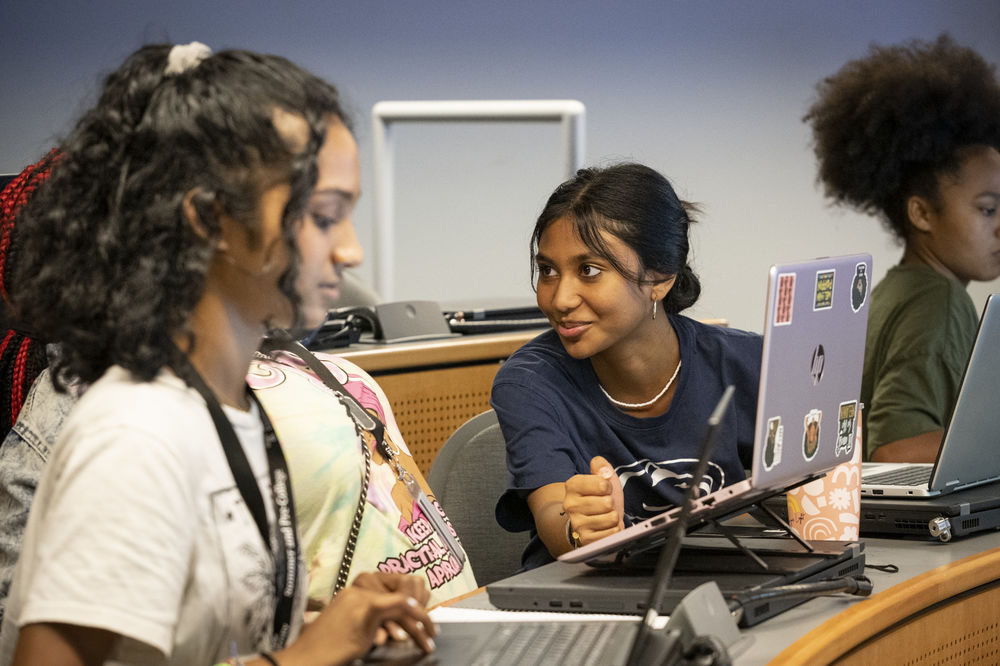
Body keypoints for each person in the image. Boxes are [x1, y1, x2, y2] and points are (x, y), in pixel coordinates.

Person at [0, 43, 436, 665]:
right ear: (209, 220)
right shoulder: (136, 434)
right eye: (323, 216)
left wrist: (329, 620)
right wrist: (304, 658)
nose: (350, 251)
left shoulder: (233, 405)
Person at [491, 163, 762, 570]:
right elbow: (553, 514)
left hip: (720, 589)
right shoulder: (530, 382)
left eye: (589, 271)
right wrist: (582, 527)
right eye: (547, 270)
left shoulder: (748, 362)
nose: (560, 298)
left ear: (659, 279)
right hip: (586, 605)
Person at [804, 34, 1000, 462]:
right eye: (987, 210)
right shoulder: (938, 301)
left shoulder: (897, 290)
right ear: (922, 213)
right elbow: (895, 448)